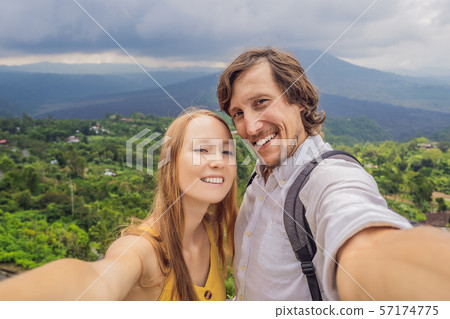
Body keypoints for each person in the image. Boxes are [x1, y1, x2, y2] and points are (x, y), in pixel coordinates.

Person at [216, 47, 450, 301]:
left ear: (300, 100)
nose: (250, 127)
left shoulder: (328, 178)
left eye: (260, 102)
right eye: (238, 113)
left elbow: (364, 240)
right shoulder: (260, 174)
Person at [0, 109, 238, 301]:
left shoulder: (213, 231)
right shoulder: (143, 250)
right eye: (203, 150)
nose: (219, 161)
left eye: (227, 151)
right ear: (170, 163)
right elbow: (97, 281)